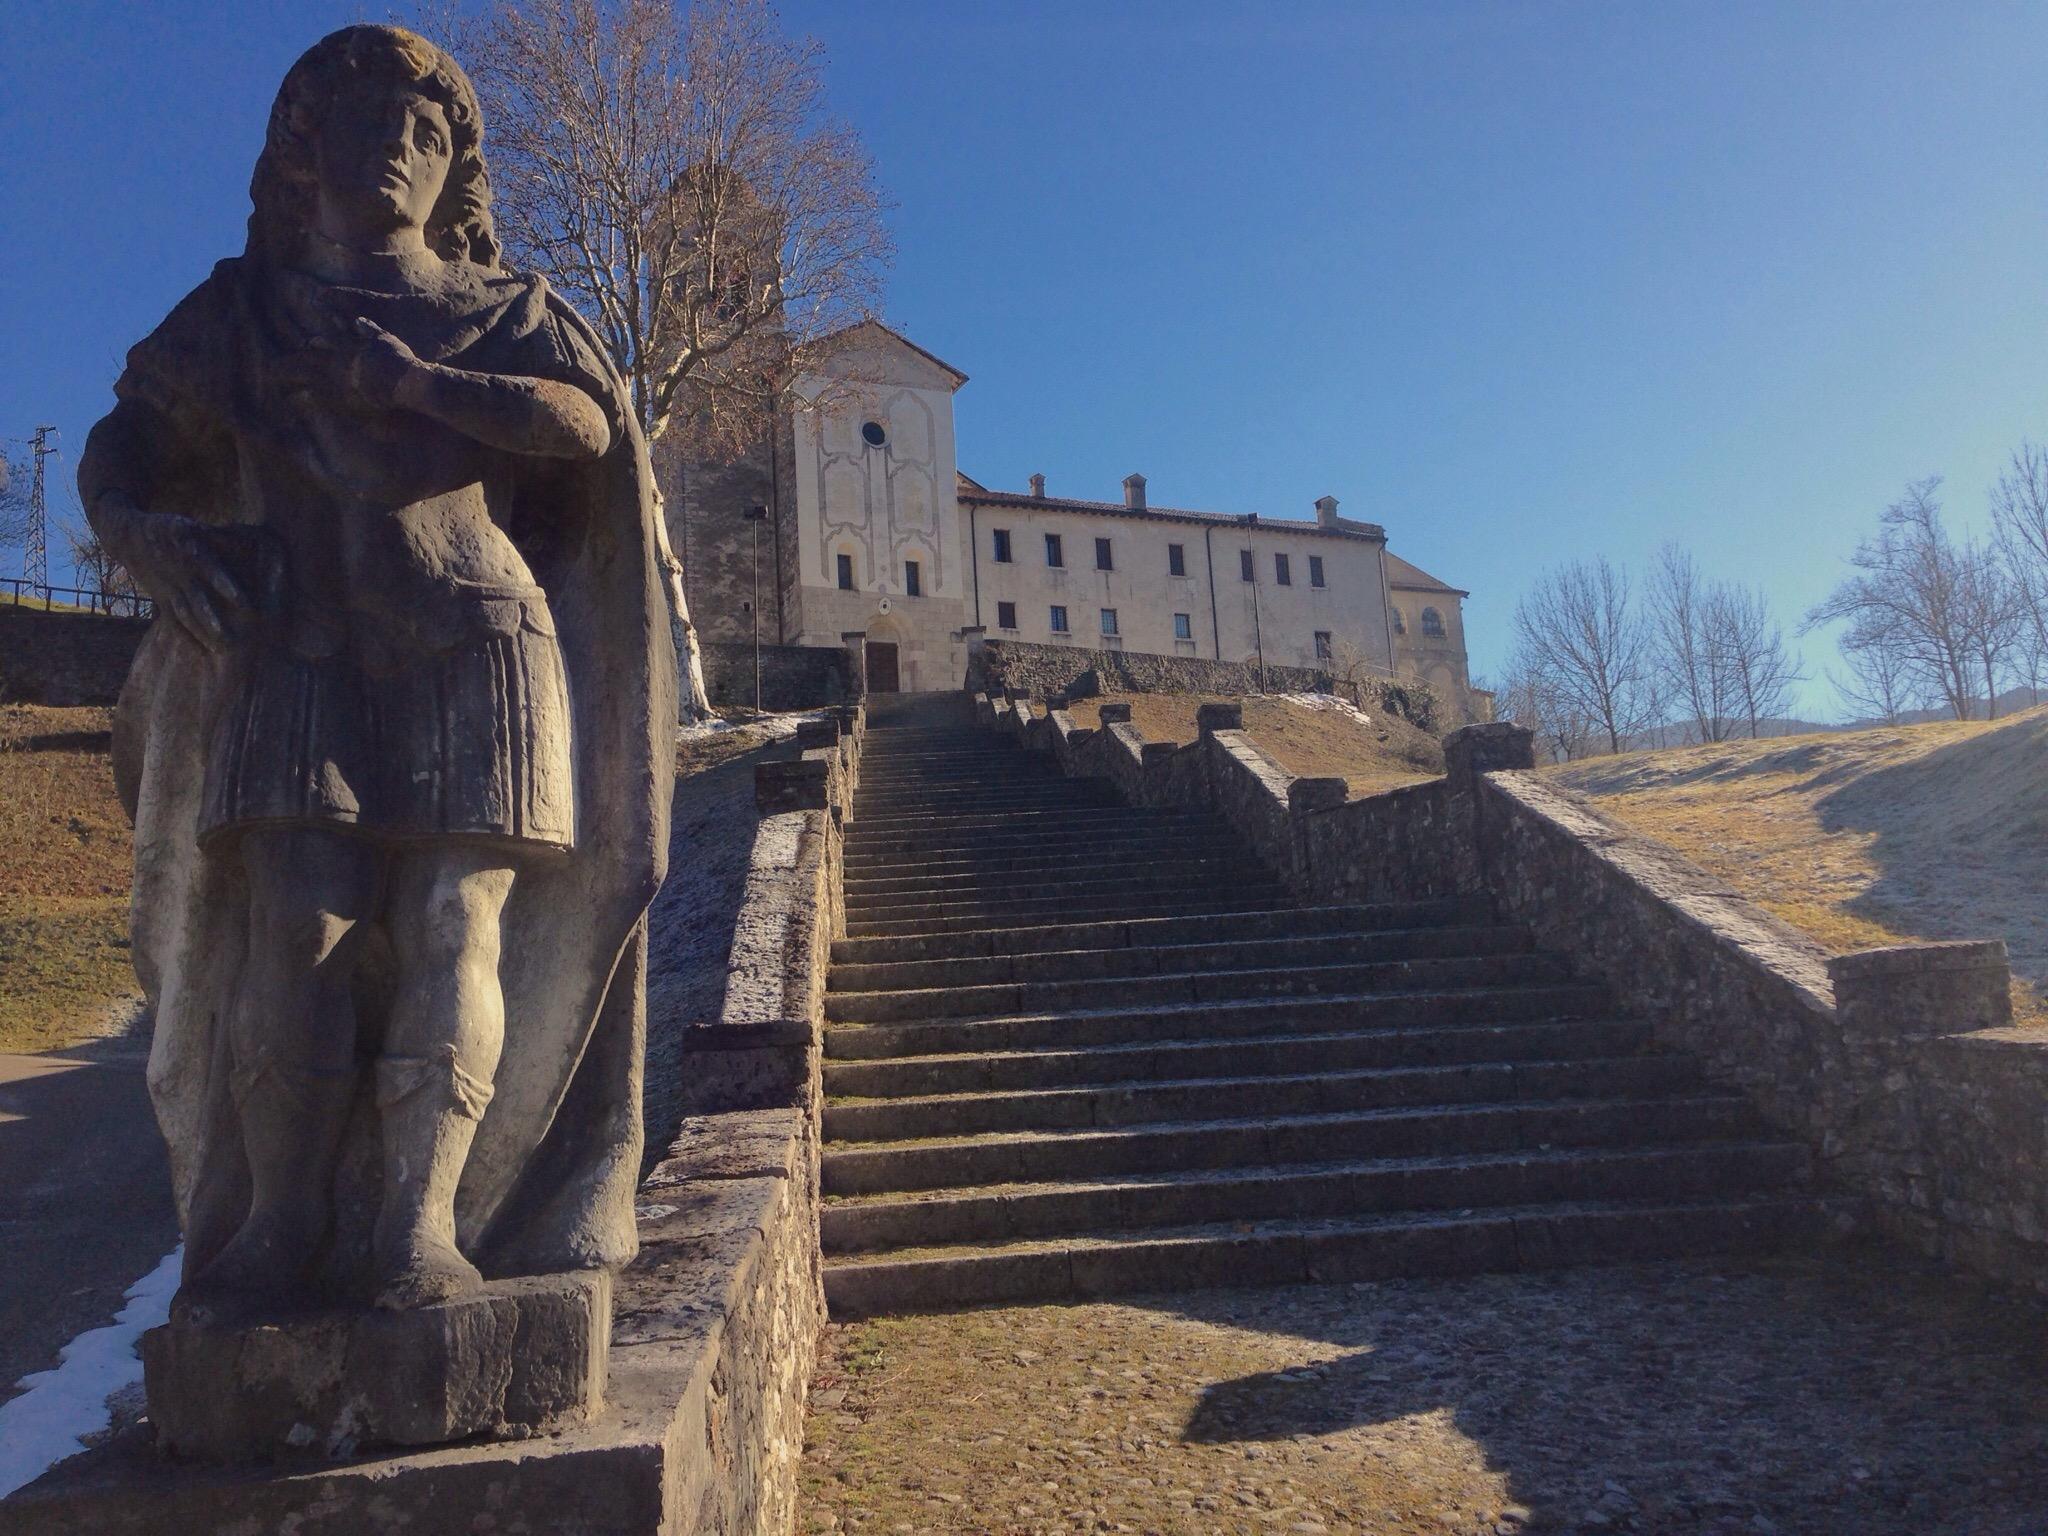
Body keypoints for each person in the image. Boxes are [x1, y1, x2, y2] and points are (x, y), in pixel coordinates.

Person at [80, 25, 674, 1312]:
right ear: (305, 149)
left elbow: (584, 425)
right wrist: (141, 537)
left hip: (476, 636)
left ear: (454, 165)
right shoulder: (241, 310)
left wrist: (417, 386)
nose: (399, 150)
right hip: (294, 640)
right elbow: (121, 444)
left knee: (453, 927)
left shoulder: (500, 310)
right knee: (297, 933)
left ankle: (418, 1224)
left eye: (429, 134)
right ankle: (279, 1230)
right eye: (370, 124)